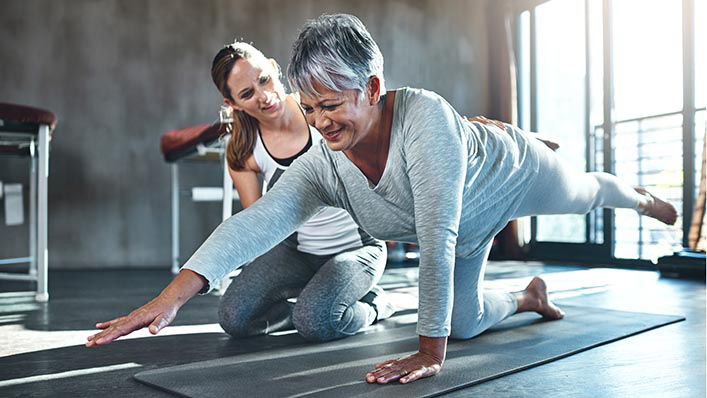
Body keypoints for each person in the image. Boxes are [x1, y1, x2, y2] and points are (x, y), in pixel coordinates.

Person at [88, 13, 677, 388]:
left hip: (508, 175)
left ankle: (638, 194)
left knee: (582, 194)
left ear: (371, 88)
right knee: (466, 322)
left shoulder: (424, 125)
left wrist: (427, 351)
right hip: (467, 229)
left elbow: (436, 234)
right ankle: (529, 296)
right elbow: (260, 220)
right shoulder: (323, 160)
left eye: (333, 106)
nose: (320, 123)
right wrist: (168, 300)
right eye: (311, 108)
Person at [87, 41, 394, 346]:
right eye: (247, 93)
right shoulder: (245, 151)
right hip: (297, 252)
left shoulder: (319, 111)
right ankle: (300, 309)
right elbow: (258, 227)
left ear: (274, 68)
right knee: (235, 317)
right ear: (233, 103)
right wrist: (173, 298)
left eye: (264, 79)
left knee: (314, 321)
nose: (264, 96)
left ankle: (375, 305)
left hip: (356, 248)